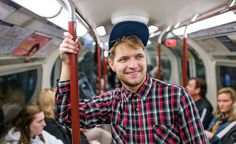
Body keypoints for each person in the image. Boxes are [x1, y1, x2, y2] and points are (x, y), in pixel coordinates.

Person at [55, 20, 208, 143]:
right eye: (124, 59)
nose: (133, 65)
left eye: (138, 56)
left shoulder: (176, 96)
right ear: (112, 65)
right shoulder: (111, 101)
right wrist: (68, 65)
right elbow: (65, 115)